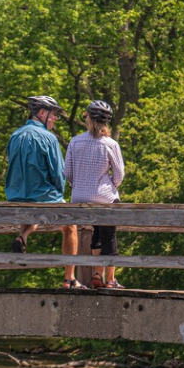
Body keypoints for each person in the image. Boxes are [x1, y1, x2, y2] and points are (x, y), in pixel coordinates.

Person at [5, 95, 84, 288]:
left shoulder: (15, 135)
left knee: (32, 213)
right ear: (41, 113)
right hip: (43, 195)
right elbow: (58, 172)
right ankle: (69, 278)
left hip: (15, 195)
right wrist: (59, 192)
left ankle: (22, 236)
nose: (55, 118)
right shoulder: (48, 138)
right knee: (70, 226)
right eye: (53, 114)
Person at [64, 100, 125, 289]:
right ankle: (110, 279)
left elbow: (68, 174)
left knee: (97, 232)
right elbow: (119, 174)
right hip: (104, 197)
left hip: (79, 198)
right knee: (109, 235)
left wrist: (79, 187)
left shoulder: (75, 141)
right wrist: (110, 187)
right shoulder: (110, 144)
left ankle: (97, 273)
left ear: (88, 119)